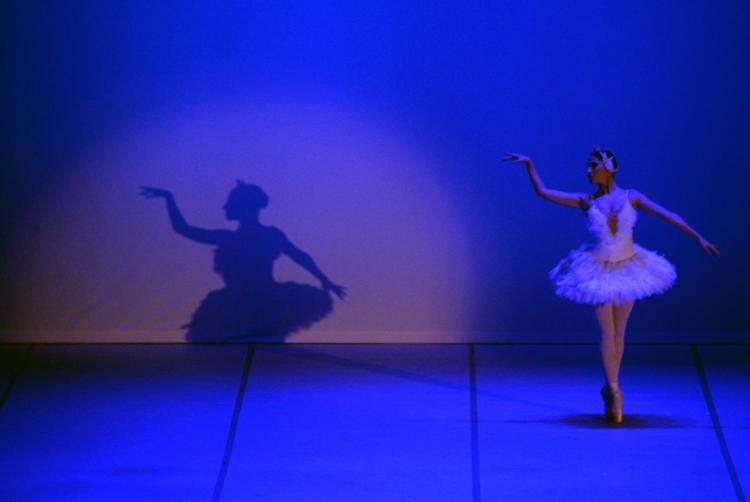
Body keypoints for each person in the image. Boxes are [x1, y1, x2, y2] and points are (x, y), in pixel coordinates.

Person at [503, 149, 719, 424]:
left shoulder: (632, 196)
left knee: (620, 332)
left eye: (593, 166)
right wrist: (530, 165)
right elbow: (544, 192)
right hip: (598, 271)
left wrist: (698, 237)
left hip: (629, 268)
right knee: (607, 332)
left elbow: (668, 215)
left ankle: (610, 388)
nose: (588, 171)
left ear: (608, 168)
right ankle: (615, 391)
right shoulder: (586, 200)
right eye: (588, 166)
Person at [140, 181, 346, 341]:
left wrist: (324, 279)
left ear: (242, 207)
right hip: (247, 300)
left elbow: (300, 256)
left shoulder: (251, 237)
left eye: (230, 203)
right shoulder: (256, 236)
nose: (224, 207)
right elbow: (184, 229)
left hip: (262, 299)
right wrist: (169, 198)